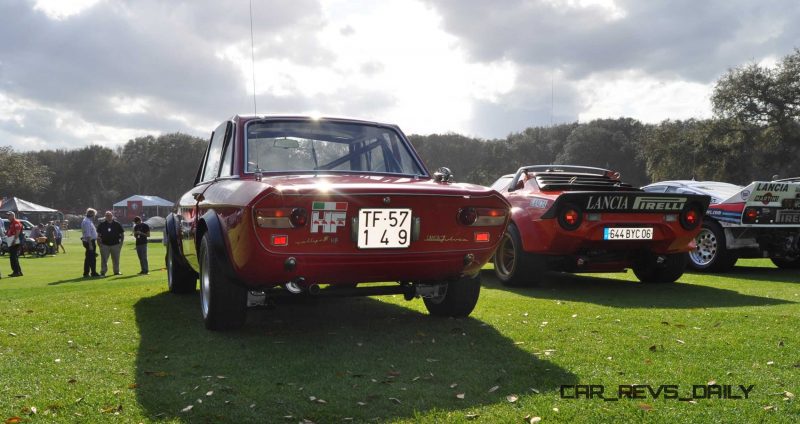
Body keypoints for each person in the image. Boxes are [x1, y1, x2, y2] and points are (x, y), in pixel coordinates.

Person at [97, 210, 124, 276]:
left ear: (112, 216)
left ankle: (116, 271)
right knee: (104, 260)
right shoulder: (101, 224)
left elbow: (122, 234)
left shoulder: (117, 224)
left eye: (109, 215)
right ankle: (103, 272)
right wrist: (99, 244)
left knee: (116, 259)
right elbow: (98, 235)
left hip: (115, 244)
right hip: (104, 245)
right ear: (105, 216)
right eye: (107, 215)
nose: (108, 217)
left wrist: (121, 244)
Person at [81, 208, 100, 277]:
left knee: (88, 258)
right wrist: (90, 244)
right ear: (92, 214)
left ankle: (86, 273)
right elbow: (88, 234)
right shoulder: (87, 222)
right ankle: (93, 272)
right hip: (89, 241)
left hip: (89, 241)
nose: (95, 216)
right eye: (94, 215)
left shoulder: (87, 221)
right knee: (92, 258)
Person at [6, 212, 23, 277]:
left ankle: (16, 272)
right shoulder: (12, 223)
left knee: (13, 257)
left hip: (14, 240)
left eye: (9, 215)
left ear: (13, 216)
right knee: (13, 257)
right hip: (11, 240)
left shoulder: (16, 222)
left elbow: (18, 232)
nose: (8, 217)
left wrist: (14, 240)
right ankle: (18, 271)